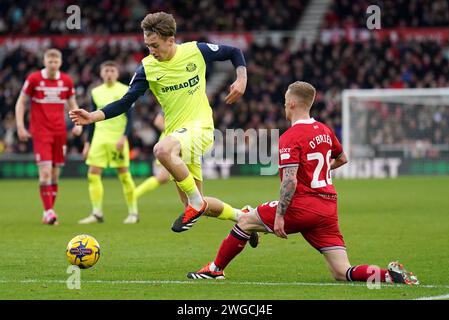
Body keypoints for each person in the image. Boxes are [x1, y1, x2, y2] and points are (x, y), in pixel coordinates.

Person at [186, 81, 419, 286]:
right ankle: (388, 276)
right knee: (341, 271)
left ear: (294, 104)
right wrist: (317, 173)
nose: (284, 106)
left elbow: (289, 181)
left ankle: (215, 270)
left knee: (245, 221)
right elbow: (342, 158)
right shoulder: (325, 130)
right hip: (327, 208)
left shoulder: (290, 137)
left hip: (303, 206)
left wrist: (280, 216)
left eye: (285, 101)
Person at [69, 11, 249, 233]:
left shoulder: (195, 51)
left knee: (161, 151)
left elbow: (234, 52)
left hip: (200, 127)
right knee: (196, 203)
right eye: (147, 46)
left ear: (171, 40)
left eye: (155, 45)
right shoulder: (147, 68)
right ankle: (244, 217)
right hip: (178, 136)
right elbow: (126, 102)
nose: (151, 51)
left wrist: (241, 78)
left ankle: (196, 203)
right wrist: (93, 116)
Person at [15, 48, 82, 225]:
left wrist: (78, 123)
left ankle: (48, 213)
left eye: (55, 62)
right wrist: (20, 126)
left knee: (54, 175)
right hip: (41, 132)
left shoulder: (66, 81)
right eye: (49, 61)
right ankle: (49, 211)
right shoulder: (34, 79)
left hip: (59, 132)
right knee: (44, 174)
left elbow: (72, 104)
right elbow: (21, 102)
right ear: (44, 62)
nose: (52, 65)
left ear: (60, 63)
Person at [78, 60, 139, 224]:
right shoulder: (95, 92)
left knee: (124, 175)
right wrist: (87, 143)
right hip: (99, 139)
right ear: (101, 73)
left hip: (117, 138)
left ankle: (133, 213)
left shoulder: (125, 90)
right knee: (92, 174)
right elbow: (89, 120)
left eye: (112, 70)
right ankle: (96, 212)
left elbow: (131, 117)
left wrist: (124, 137)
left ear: (117, 73)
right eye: (106, 71)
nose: (109, 73)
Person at [134, 112, 170, 199]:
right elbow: (158, 122)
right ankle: (134, 194)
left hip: (176, 143)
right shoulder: (172, 103)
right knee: (163, 177)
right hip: (170, 143)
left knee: (168, 177)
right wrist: (175, 133)